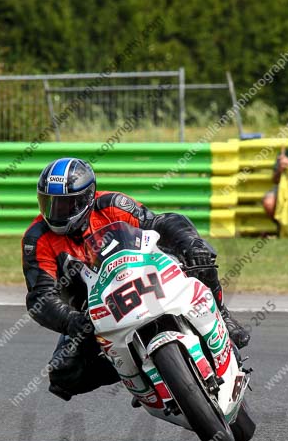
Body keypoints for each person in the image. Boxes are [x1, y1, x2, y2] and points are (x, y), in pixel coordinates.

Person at [21, 157, 250, 401]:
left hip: (145, 274)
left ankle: (222, 315)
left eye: (65, 205)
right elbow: (41, 296)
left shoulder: (112, 204)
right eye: (49, 204)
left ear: (86, 198)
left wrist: (190, 243)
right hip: (93, 309)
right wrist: (70, 321)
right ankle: (137, 368)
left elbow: (159, 222)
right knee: (63, 373)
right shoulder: (37, 239)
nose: (55, 213)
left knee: (199, 259)